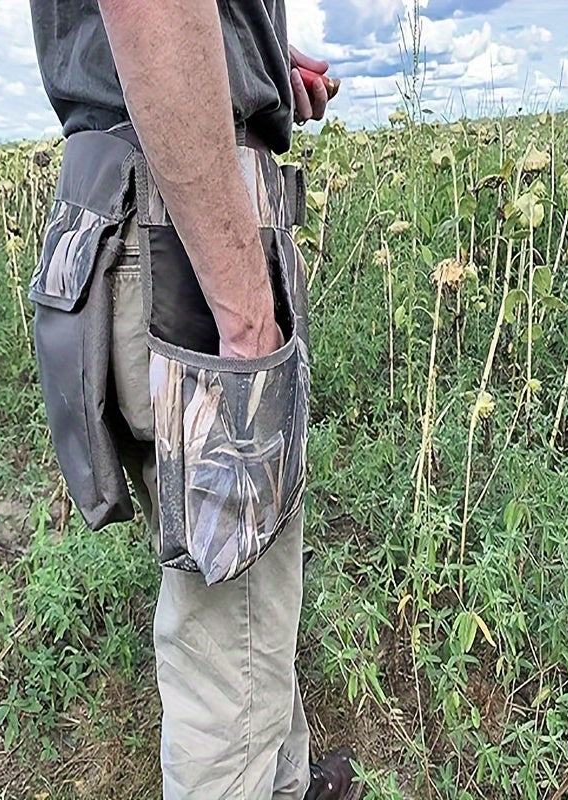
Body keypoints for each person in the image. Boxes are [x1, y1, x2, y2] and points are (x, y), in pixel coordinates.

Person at [27, 1, 364, 798]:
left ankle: (285, 780)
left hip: (139, 210)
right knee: (226, 622)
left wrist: (252, 53)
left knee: (244, 582)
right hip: (189, 236)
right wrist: (246, 317)